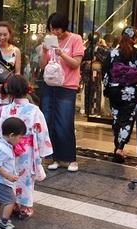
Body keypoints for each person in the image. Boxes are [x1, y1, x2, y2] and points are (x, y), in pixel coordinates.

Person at [0, 75, 52, 219]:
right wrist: (42, 152)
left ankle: (13, 204)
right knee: (26, 178)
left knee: (11, 176)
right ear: (27, 90)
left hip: (9, 148)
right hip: (27, 150)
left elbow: (0, 132)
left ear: (10, 91)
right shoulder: (34, 110)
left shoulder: (6, 110)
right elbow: (41, 131)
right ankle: (25, 208)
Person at [102, 26, 137, 163]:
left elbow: (105, 71)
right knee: (127, 120)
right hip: (130, 92)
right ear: (135, 39)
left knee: (116, 119)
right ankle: (120, 148)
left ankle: (116, 145)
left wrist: (107, 88)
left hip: (114, 91)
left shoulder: (114, 53)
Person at [38, 12, 84, 172]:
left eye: (57, 29)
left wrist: (62, 53)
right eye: (52, 29)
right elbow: (43, 66)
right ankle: (55, 157)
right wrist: (44, 52)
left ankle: (71, 159)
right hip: (50, 85)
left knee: (64, 122)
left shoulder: (75, 39)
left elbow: (76, 64)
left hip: (67, 86)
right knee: (49, 121)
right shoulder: (50, 39)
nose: (54, 32)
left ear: (64, 27)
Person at [81, 32, 111, 116]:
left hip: (87, 71)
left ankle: (88, 110)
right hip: (96, 71)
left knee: (88, 90)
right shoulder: (100, 49)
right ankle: (94, 111)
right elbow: (110, 53)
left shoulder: (87, 49)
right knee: (96, 90)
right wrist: (104, 45)